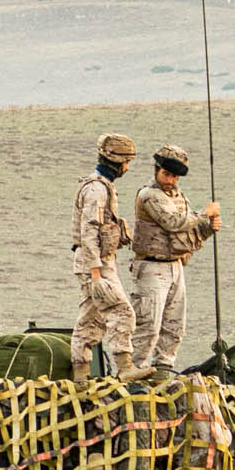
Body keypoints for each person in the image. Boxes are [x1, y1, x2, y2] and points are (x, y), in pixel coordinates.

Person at [127, 144, 224, 373]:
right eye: (166, 174)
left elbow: (187, 234)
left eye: (175, 177)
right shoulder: (149, 195)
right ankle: (135, 370)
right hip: (151, 267)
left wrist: (208, 228)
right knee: (148, 326)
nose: (170, 180)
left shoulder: (179, 197)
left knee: (174, 325)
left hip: (175, 266)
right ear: (157, 170)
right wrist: (204, 214)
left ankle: (163, 370)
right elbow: (173, 222)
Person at [70, 134, 137, 383]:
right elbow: (89, 232)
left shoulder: (102, 187)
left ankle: (81, 375)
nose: (127, 168)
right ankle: (125, 365)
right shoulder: (97, 190)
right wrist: (96, 271)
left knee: (91, 319)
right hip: (95, 264)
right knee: (122, 311)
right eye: (125, 162)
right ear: (115, 162)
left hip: (96, 262)